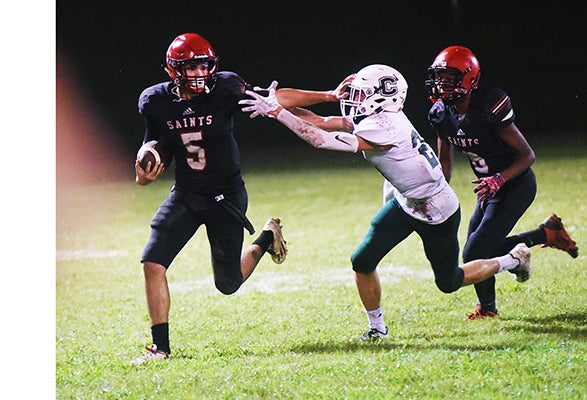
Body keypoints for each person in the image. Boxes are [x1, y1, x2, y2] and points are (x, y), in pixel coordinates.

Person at [239, 64, 532, 340]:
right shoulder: (377, 117)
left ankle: (512, 259)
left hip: (436, 210)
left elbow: (319, 139)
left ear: (383, 97)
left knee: (449, 281)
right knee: (362, 259)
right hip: (406, 202)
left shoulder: (385, 127)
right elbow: (319, 121)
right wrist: (273, 103)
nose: (354, 99)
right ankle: (378, 329)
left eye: (361, 94)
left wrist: (277, 112)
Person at [131, 33, 288, 364]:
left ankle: (265, 237)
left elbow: (274, 99)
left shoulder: (226, 88)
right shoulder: (155, 101)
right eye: (190, 67)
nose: (199, 74)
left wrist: (328, 95)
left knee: (228, 284)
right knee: (152, 262)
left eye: (204, 65)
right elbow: (155, 149)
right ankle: (161, 348)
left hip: (225, 197)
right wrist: (143, 175)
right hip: (186, 195)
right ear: (172, 71)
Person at [424, 45, 579, 320]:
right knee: (478, 248)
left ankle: (488, 308)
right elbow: (444, 158)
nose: (441, 85)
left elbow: (527, 155)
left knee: (474, 250)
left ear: (469, 79)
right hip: (488, 189)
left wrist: (499, 178)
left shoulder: (487, 106)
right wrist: (438, 191)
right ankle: (545, 235)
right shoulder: (441, 113)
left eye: (449, 78)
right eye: (439, 78)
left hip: (515, 184)